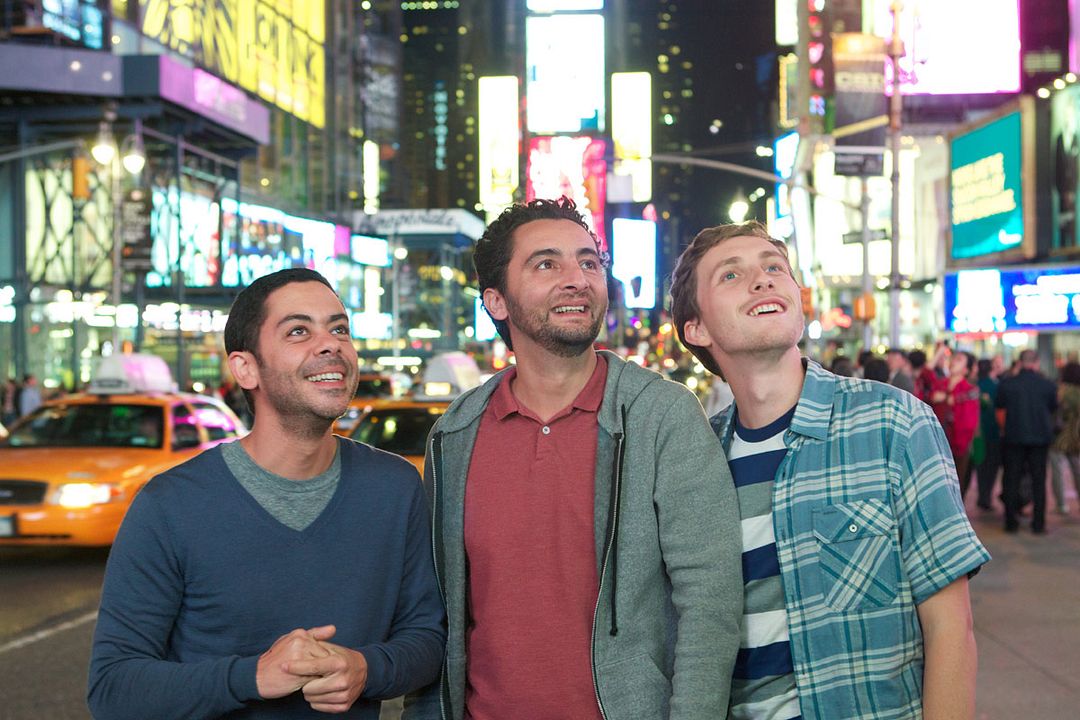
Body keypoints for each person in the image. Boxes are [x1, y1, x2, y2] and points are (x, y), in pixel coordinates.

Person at [403, 197, 743, 720]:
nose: (577, 279)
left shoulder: (662, 415)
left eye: (589, 262)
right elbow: (442, 613)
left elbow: (710, 604)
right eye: (547, 264)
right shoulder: (456, 432)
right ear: (496, 300)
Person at [88, 268, 446, 719]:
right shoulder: (169, 505)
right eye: (299, 330)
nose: (330, 343)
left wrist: (365, 668)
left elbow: (428, 640)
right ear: (246, 368)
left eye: (339, 329)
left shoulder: (394, 487)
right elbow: (112, 689)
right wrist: (254, 676)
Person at [670, 221, 989, 720]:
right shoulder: (694, 458)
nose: (763, 280)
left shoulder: (893, 423)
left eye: (774, 268)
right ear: (696, 328)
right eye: (731, 276)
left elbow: (952, 629)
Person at [996, 349, 1058, 534]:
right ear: (1036, 363)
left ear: (1021, 362)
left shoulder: (1007, 384)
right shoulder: (1047, 385)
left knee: (1011, 479)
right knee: (1039, 481)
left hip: (1014, 437)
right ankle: (1038, 524)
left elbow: (999, 407)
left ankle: (1010, 522)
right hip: (1040, 439)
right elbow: (1053, 407)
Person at [930, 351, 980, 499]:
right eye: (953, 358)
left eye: (958, 360)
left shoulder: (969, 391)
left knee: (956, 490)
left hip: (958, 447)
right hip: (935, 444)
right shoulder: (939, 385)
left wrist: (946, 399)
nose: (953, 362)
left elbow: (969, 423)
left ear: (966, 370)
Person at [1049, 361, 1080, 515]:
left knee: (1057, 470)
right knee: (1077, 469)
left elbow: (1054, 412)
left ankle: (1061, 504)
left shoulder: (1061, 391)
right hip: (1076, 437)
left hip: (1059, 437)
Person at [974, 358, 1003, 511]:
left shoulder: (975, 385)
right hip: (993, 432)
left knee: (981, 467)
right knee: (991, 467)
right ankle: (985, 497)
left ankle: (982, 496)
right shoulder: (996, 385)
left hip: (978, 433)